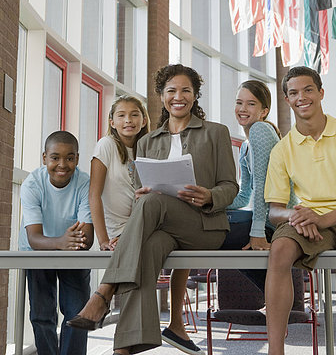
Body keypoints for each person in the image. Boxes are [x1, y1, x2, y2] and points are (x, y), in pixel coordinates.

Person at [67, 63, 238, 355]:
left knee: (152, 202)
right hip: (162, 228)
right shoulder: (147, 141)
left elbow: (231, 187)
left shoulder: (216, 133)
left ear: (195, 95)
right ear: (161, 96)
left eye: (186, 90)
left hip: (204, 226)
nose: (178, 96)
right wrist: (141, 196)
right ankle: (126, 347)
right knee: (148, 246)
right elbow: (141, 196)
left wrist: (209, 195)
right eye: (171, 90)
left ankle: (104, 292)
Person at [264, 65, 336, 354]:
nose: (301, 97)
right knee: (280, 249)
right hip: (307, 222)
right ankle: (276, 350)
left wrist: (321, 218)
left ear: (321, 92)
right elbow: (274, 211)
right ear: (287, 100)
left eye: (308, 89)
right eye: (293, 93)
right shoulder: (282, 149)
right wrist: (295, 215)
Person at [19, 130, 94, 355]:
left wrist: (65, 243)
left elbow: (87, 238)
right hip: (37, 253)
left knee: (77, 314)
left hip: (72, 252)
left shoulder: (84, 183)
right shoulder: (32, 184)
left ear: (77, 159)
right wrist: (61, 241)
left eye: (70, 158)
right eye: (55, 157)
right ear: (44, 158)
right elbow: (34, 238)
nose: (62, 164)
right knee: (42, 315)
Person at [222, 80, 295, 292]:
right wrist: (213, 204)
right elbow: (244, 195)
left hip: (275, 223)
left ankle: (280, 296)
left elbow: (264, 186)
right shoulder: (245, 145)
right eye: (239, 103)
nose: (243, 109)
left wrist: (257, 232)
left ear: (264, 111)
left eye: (251, 104)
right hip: (266, 219)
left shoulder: (260, 130)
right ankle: (277, 297)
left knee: (215, 236)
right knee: (216, 229)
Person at [89, 95, 150, 251]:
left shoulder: (148, 149)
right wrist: (103, 240)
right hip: (116, 232)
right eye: (121, 115)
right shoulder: (106, 145)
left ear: (143, 121)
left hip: (143, 228)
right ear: (112, 122)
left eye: (134, 114)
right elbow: (94, 195)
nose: (128, 120)